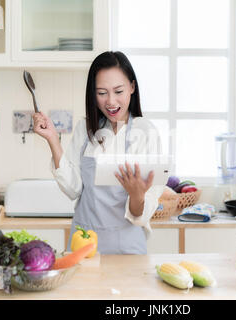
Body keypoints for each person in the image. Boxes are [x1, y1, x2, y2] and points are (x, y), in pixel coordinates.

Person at [33, 51, 166, 254]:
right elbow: (73, 189)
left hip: (127, 250)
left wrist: (137, 196)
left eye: (118, 91)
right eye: (102, 93)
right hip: (83, 246)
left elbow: (141, 215)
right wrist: (53, 138)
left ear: (132, 87)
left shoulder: (146, 132)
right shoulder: (85, 129)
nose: (111, 102)